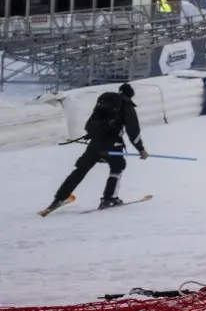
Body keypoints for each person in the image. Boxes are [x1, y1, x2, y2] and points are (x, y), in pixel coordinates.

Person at [42, 83, 148, 214]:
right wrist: (141, 149)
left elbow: (92, 121)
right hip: (113, 144)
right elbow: (133, 130)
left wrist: (91, 134)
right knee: (118, 166)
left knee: (81, 168)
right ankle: (109, 198)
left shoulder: (104, 101)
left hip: (95, 143)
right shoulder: (126, 106)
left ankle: (59, 199)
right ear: (130, 95)